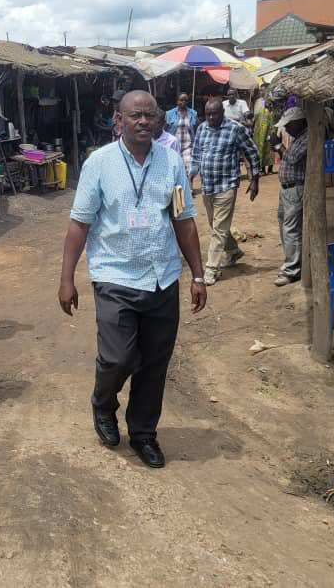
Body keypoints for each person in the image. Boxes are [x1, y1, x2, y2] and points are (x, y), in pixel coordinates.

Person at [59, 90, 206, 469]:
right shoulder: (99, 164)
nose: (143, 122)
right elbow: (79, 224)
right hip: (115, 275)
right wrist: (67, 278)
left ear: (159, 120)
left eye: (149, 115)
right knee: (118, 357)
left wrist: (198, 275)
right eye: (134, 116)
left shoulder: (172, 163)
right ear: (118, 121)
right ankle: (103, 404)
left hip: (162, 277)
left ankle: (143, 434)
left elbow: (183, 219)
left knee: (155, 364)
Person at [190, 98, 261, 286]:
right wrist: (189, 176)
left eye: (214, 114)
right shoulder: (202, 129)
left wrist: (254, 179)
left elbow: (252, 152)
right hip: (207, 186)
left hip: (227, 185)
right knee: (216, 226)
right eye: (207, 114)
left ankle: (211, 269)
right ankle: (234, 251)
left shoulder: (235, 129)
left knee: (218, 229)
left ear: (222, 112)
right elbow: (196, 155)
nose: (211, 117)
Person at [275, 107, 308, 287]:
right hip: (287, 189)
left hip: (296, 189)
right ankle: (291, 261)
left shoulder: (308, 137)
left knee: (291, 230)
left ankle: (292, 270)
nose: (286, 130)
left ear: (298, 123)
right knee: (284, 224)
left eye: (288, 126)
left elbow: (294, 158)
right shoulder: (297, 138)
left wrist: (279, 147)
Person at [165, 93, 197, 171]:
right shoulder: (169, 114)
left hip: (187, 147)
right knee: (174, 170)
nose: (183, 102)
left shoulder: (193, 113)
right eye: (181, 100)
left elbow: (197, 128)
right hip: (173, 147)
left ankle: (188, 183)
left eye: (186, 100)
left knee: (188, 171)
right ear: (177, 101)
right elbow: (163, 130)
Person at [251, 93, 276, 175]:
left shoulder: (273, 112)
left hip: (270, 133)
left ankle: (270, 169)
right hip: (260, 134)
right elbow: (254, 118)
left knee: (270, 151)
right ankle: (262, 169)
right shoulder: (260, 106)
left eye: (269, 103)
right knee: (260, 151)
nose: (268, 104)